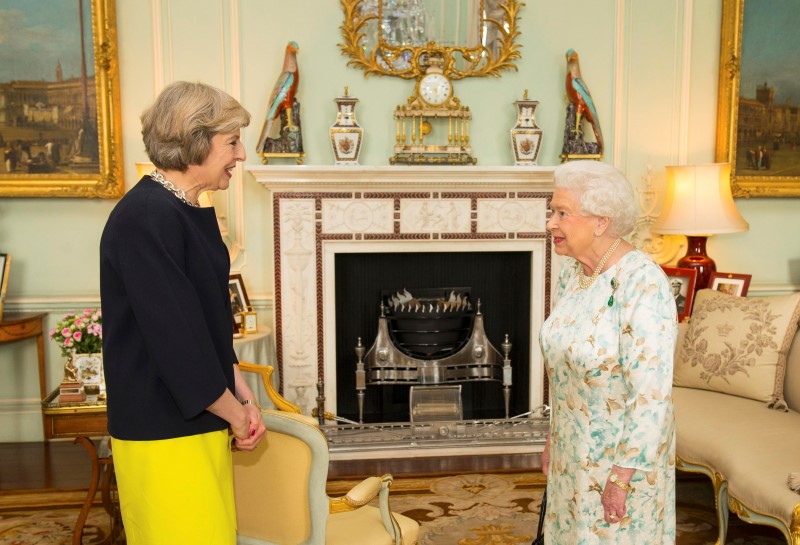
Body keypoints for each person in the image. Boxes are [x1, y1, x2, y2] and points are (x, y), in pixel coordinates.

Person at [100, 81, 266, 545]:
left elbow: (207, 318)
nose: (241, 155)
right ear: (195, 142)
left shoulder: (186, 208)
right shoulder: (145, 218)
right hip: (162, 425)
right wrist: (235, 414)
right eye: (232, 142)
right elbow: (174, 341)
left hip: (198, 414)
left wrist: (239, 390)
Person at [539, 160, 677, 544]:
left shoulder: (643, 284)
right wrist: (555, 436)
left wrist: (621, 477)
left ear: (600, 221)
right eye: (552, 211)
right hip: (573, 451)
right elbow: (565, 363)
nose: (551, 222)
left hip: (620, 462)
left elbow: (651, 394)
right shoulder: (575, 273)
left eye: (562, 213)